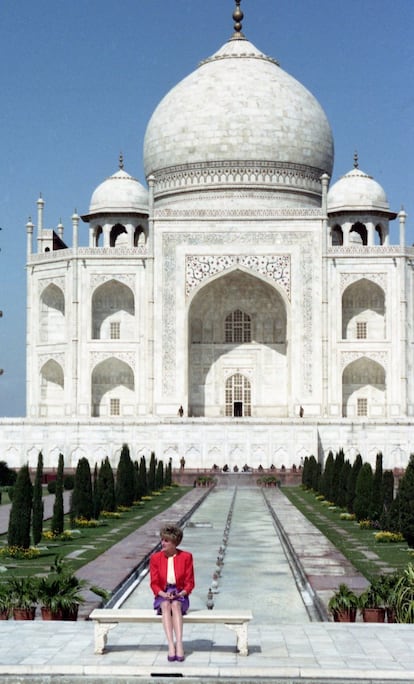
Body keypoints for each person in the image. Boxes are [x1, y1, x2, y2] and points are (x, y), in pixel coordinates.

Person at [150, 523, 195, 662]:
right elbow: (154, 583)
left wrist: (181, 594)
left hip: (180, 594)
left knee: (175, 605)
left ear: (175, 542)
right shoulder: (155, 558)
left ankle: (179, 643)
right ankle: (171, 644)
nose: (162, 543)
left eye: (166, 540)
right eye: (162, 539)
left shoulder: (186, 557)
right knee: (165, 605)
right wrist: (163, 594)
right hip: (162, 594)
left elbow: (190, 583)